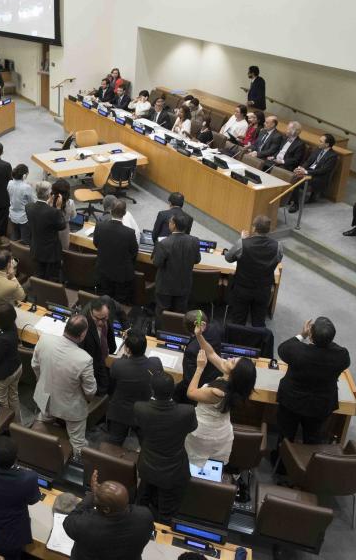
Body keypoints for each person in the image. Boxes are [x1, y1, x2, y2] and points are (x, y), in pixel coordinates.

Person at [185, 326, 257, 466]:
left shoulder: (216, 392)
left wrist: (199, 368)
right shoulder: (232, 380)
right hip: (221, 427)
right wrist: (199, 336)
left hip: (204, 431)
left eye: (232, 361)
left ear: (234, 373)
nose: (229, 358)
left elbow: (191, 393)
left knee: (197, 461)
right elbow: (211, 353)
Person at [276, 317, 350, 444]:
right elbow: (338, 351)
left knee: (286, 435)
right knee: (313, 437)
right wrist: (325, 340)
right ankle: (309, 461)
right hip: (321, 405)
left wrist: (303, 335)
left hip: (291, 401)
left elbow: (282, 348)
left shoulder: (296, 351)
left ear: (311, 335)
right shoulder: (341, 356)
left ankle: (279, 460)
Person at [134, 373, 197, 521]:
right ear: (173, 389)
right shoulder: (186, 411)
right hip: (173, 470)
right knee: (167, 512)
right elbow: (192, 427)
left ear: (152, 390)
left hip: (147, 464)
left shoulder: (140, 408)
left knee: (141, 500)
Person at [32, 315, 96, 458]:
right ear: (82, 334)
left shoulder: (44, 339)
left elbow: (35, 365)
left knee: (45, 416)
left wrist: (43, 382)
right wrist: (87, 399)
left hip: (45, 397)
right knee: (77, 442)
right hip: (70, 408)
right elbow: (90, 391)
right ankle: (77, 464)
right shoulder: (84, 359)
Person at [63, 473, 154, 560]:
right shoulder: (144, 517)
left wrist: (92, 494)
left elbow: (69, 520)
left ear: (106, 509)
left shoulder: (87, 525)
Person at [106, 332, 164, 446]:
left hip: (120, 413)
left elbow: (112, 384)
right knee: (147, 447)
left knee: (113, 444)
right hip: (145, 413)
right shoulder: (155, 363)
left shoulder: (118, 365)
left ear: (127, 349)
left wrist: (124, 357)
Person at [225, 215, 282, 327]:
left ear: (254, 228)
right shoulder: (278, 246)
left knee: (238, 321)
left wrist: (242, 239)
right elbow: (278, 259)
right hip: (263, 290)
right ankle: (256, 343)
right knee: (259, 322)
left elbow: (228, 258)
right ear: (269, 229)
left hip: (242, 289)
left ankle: (236, 343)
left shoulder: (243, 243)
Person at [152, 211, 200, 317]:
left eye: (169, 222)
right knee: (179, 315)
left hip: (165, 286)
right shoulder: (195, 241)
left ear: (173, 225)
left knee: (162, 314)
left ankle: (160, 332)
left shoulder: (164, 243)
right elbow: (197, 260)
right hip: (184, 286)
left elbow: (157, 263)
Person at [92, 199, 138, 304]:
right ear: (125, 213)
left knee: (103, 303)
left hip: (103, 272)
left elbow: (96, 244)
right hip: (122, 277)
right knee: (119, 304)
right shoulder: (130, 233)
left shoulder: (100, 226)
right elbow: (134, 253)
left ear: (110, 211)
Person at [26, 181, 67, 281]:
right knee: (53, 278)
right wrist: (58, 208)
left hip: (36, 248)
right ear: (49, 195)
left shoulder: (29, 207)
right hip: (51, 252)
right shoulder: (53, 212)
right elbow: (62, 226)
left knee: (39, 276)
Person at [288, 134, 338, 213]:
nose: (319, 143)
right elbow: (308, 161)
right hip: (309, 172)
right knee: (291, 175)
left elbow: (323, 170)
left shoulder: (333, 156)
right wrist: (301, 168)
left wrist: (306, 172)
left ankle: (295, 204)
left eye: (321, 142)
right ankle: (289, 198)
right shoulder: (317, 150)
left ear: (327, 144)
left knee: (296, 180)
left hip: (319, 178)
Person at [78, 296, 117, 392]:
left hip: (102, 355)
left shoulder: (109, 303)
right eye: (96, 319)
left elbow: (119, 309)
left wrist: (126, 326)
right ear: (91, 313)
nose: (100, 322)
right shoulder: (83, 325)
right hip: (92, 360)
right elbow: (80, 354)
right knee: (101, 388)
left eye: (104, 318)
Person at [7, 164, 35, 243]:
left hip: (12, 215)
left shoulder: (9, 183)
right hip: (24, 218)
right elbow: (32, 202)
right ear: (24, 176)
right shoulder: (26, 187)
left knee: (15, 236)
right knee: (25, 240)